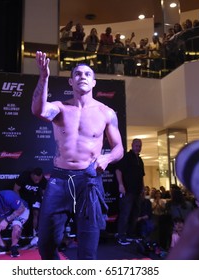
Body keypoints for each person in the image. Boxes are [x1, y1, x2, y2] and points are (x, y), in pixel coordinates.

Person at [32, 51, 124, 260]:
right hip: (60, 180)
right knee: (45, 245)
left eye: (87, 74)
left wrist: (107, 158)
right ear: (70, 81)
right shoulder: (60, 108)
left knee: (88, 250)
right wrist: (44, 76)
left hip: (89, 181)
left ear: (93, 82)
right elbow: (38, 111)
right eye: (78, 74)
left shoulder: (106, 112)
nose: (82, 76)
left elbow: (119, 148)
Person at [115, 138, 145, 245]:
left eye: (140, 146)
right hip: (128, 191)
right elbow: (118, 170)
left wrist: (143, 188)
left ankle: (130, 234)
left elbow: (141, 176)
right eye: (136, 145)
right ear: (132, 145)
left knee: (135, 214)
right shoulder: (127, 157)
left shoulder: (140, 160)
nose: (138, 148)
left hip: (137, 192)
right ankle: (121, 236)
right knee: (125, 213)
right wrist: (121, 185)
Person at [13, 167, 47, 242]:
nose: (37, 182)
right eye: (35, 180)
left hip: (35, 197)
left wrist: (45, 202)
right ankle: (18, 234)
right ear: (32, 175)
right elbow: (16, 189)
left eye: (39, 179)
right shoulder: (24, 176)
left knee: (36, 213)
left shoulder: (43, 180)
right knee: (21, 213)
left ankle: (35, 234)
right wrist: (20, 202)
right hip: (23, 197)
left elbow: (45, 193)